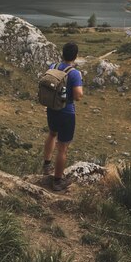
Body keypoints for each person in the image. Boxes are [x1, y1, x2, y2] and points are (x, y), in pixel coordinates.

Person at [42, 41, 83, 191]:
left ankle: (47, 165)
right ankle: (58, 181)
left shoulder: (53, 66)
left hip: (52, 108)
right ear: (75, 56)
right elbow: (78, 96)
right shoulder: (74, 73)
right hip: (66, 113)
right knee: (63, 148)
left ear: (62, 53)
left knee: (52, 134)